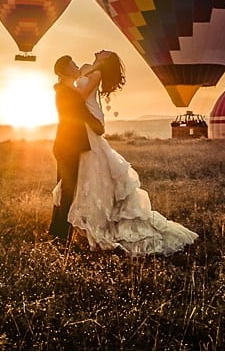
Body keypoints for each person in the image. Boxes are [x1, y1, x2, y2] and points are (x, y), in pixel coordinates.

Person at [60, 50, 198, 256]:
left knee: (94, 161)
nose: (102, 50)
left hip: (89, 118)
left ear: (105, 59)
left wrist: (62, 88)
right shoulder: (88, 68)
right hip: (83, 119)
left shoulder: (96, 73)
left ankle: (100, 219)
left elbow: (80, 95)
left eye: (106, 52)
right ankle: (87, 218)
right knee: (89, 166)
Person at [49, 55, 105, 242]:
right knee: (67, 190)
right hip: (68, 146)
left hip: (65, 145)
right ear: (64, 71)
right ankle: (61, 235)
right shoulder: (67, 93)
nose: (76, 66)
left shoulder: (65, 90)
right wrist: (98, 126)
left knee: (64, 189)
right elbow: (81, 115)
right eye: (73, 65)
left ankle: (57, 231)